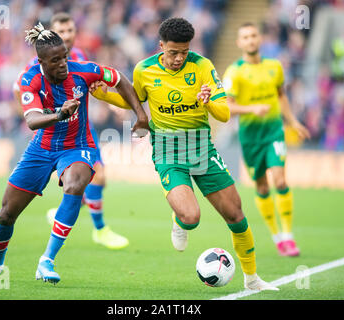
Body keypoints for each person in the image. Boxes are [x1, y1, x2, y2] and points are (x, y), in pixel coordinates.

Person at [93, 17, 278, 291]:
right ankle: (178, 220)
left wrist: (209, 102)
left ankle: (252, 279)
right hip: (168, 150)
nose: (179, 58)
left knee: (236, 215)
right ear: (160, 46)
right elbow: (134, 99)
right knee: (191, 217)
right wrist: (105, 96)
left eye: (184, 52)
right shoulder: (145, 70)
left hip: (202, 147)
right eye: (173, 52)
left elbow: (225, 114)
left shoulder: (203, 66)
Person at [0, 23, 149, 283]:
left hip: (78, 146)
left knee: (75, 185)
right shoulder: (30, 79)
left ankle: (47, 260)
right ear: (41, 62)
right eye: (56, 60)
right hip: (41, 148)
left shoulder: (83, 70)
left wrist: (140, 115)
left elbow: (119, 78)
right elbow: (33, 120)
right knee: (6, 213)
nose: (63, 63)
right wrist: (61, 113)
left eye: (64, 57)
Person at [13, 12, 130, 250]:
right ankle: (97, 228)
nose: (67, 35)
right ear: (52, 33)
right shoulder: (38, 63)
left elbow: (93, 84)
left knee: (97, 178)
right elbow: (21, 88)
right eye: (61, 31)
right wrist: (31, 114)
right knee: (84, 179)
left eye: (70, 31)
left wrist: (111, 104)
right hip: (54, 132)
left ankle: (83, 221)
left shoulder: (78, 57)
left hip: (81, 127)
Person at [222, 22, 310, 257]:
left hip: (274, 132)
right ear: (239, 43)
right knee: (262, 186)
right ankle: (277, 236)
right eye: (245, 37)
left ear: (259, 39)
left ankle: (289, 236)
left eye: (253, 35)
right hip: (251, 137)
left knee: (280, 181)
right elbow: (227, 107)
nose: (250, 40)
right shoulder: (234, 72)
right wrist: (252, 109)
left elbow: (282, 96)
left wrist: (292, 122)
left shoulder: (274, 67)